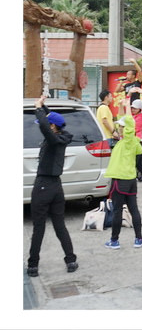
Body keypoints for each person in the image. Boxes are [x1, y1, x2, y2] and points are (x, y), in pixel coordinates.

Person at [26, 96, 78, 277]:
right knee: (59, 225)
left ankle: (33, 265)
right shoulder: (63, 136)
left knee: (39, 227)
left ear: (52, 127)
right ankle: (71, 260)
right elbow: (53, 122)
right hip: (57, 187)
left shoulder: (53, 138)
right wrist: (45, 107)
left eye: (49, 125)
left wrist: (38, 109)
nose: (46, 127)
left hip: (43, 186)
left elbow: (43, 125)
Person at [103, 98, 142, 250]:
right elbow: (126, 122)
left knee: (117, 211)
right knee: (134, 209)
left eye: (121, 127)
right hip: (130, 180)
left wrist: (127, 106)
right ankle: (138, 239)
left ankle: (114, 241)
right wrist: (121, 107)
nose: (119, 129)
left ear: (127, 129)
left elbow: (128, 122)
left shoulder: (128, 140)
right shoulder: (133, 142)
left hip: (120, 180)